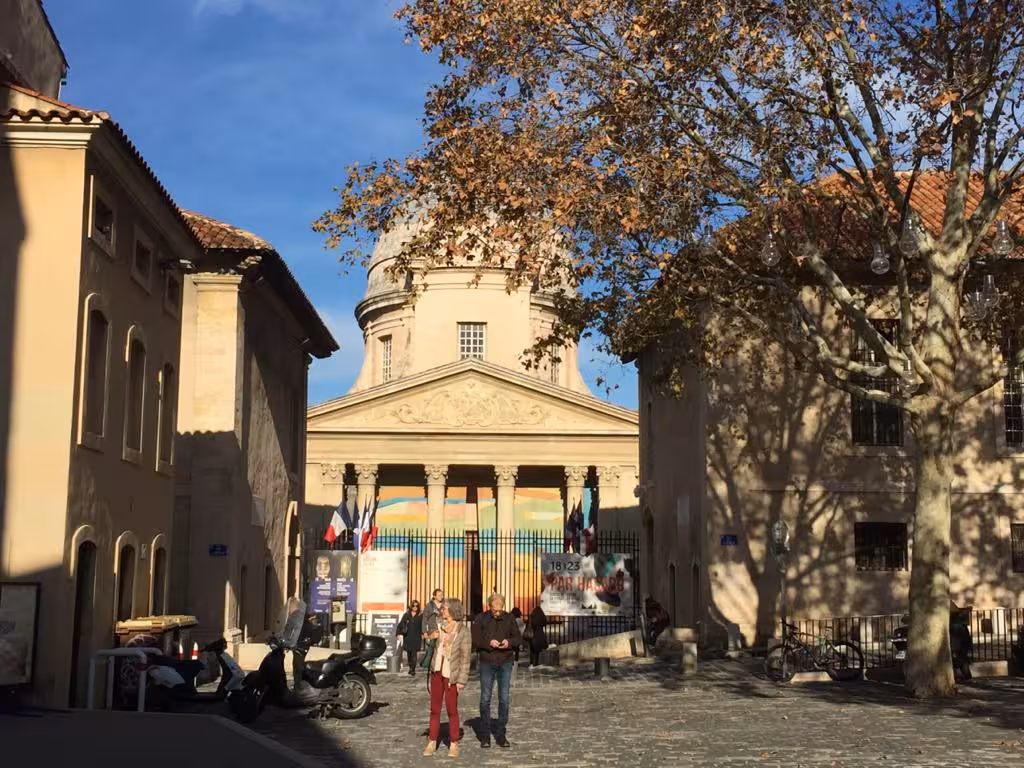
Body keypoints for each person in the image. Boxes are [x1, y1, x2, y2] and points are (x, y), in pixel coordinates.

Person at [472, 593, 521, 749]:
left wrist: (509, 642)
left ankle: (500, 734)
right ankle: (485, 735)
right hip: (487, 661)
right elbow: (475, 640)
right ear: (489, 607)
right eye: (495, 610)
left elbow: (518, 638)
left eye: (500, 610)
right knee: (485, 698)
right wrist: (489, 643)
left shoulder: (509, 618)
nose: (497, 613)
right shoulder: (481, 618)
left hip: (505, 661)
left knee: (504, 698)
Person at [424, 598, 471, 757]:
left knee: (452, 709)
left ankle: (453, 742)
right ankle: (432, 741)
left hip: (452, 676)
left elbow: (465, 658)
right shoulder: (439, 626)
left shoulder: (463, 631)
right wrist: (431, 636)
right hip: (437, 672)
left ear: (453, 610)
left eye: (444, 608)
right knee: (434, 709)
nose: (442, 610)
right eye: (442, 608)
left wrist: (462, 680)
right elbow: (427, 637)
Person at [397, 601, 423, 676]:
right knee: (409, 653)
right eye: (413, 606)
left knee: (414, 653)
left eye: (416, 606)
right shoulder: (406, 615)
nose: (415, 607)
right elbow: (401, 624)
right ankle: (410, 667)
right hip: (408, 636)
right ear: (411, 606)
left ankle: (412, 669)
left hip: (416, 636)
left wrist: (424, 633)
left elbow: (423, 625)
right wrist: (398, 633)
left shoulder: (420, 615)